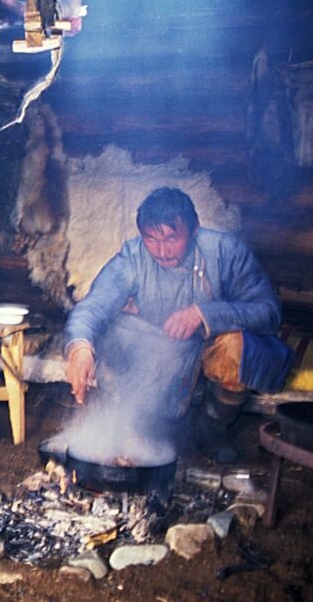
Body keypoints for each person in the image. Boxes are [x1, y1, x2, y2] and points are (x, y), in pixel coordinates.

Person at [63, 187, 294, 462]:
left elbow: (268, 311)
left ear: (194, 229)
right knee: (111, 332)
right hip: (166, 349)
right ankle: (140, 423)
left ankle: (213, 427)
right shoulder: (133, 257)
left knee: (234, 347)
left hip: (215, 347)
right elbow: (93, 306)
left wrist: (203, 314)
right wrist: (79, 347)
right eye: (151, 238)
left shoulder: (224, 251)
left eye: (172, 238)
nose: (161, 250)